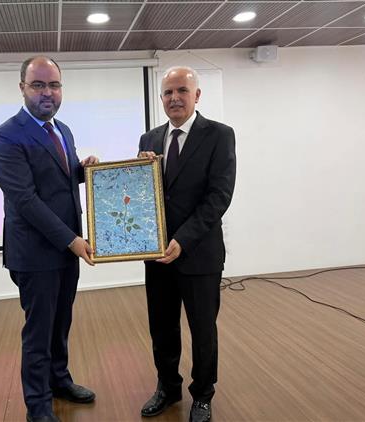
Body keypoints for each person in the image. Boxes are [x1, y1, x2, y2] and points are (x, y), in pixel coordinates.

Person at [0, 56, 98, 422]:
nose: (47, 92)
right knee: (39, 333)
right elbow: (26, 200)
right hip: (36, 254)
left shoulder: (62, 129)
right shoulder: (6, 135)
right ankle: (37, 406)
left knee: (61, 323)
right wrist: (73, 241)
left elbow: (59, 180)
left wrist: (84, 171)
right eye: (38, 85)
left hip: (66, 249)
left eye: (54, 85)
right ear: (22, 88)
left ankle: (59, 381)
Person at [138, 66, 236, 422]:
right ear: (161, 98)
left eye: (182, 90)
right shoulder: (149, 139)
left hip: (199, 254)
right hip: (157, 255)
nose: (174, 98)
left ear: (197, 95)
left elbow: (219, 196)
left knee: (202, 330)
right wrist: (139, 174)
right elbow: (143, 196)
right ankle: (167, 387)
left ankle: (203, 395)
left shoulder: (220, 135)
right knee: (162, 328)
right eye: (168, 92)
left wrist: (183, 239)